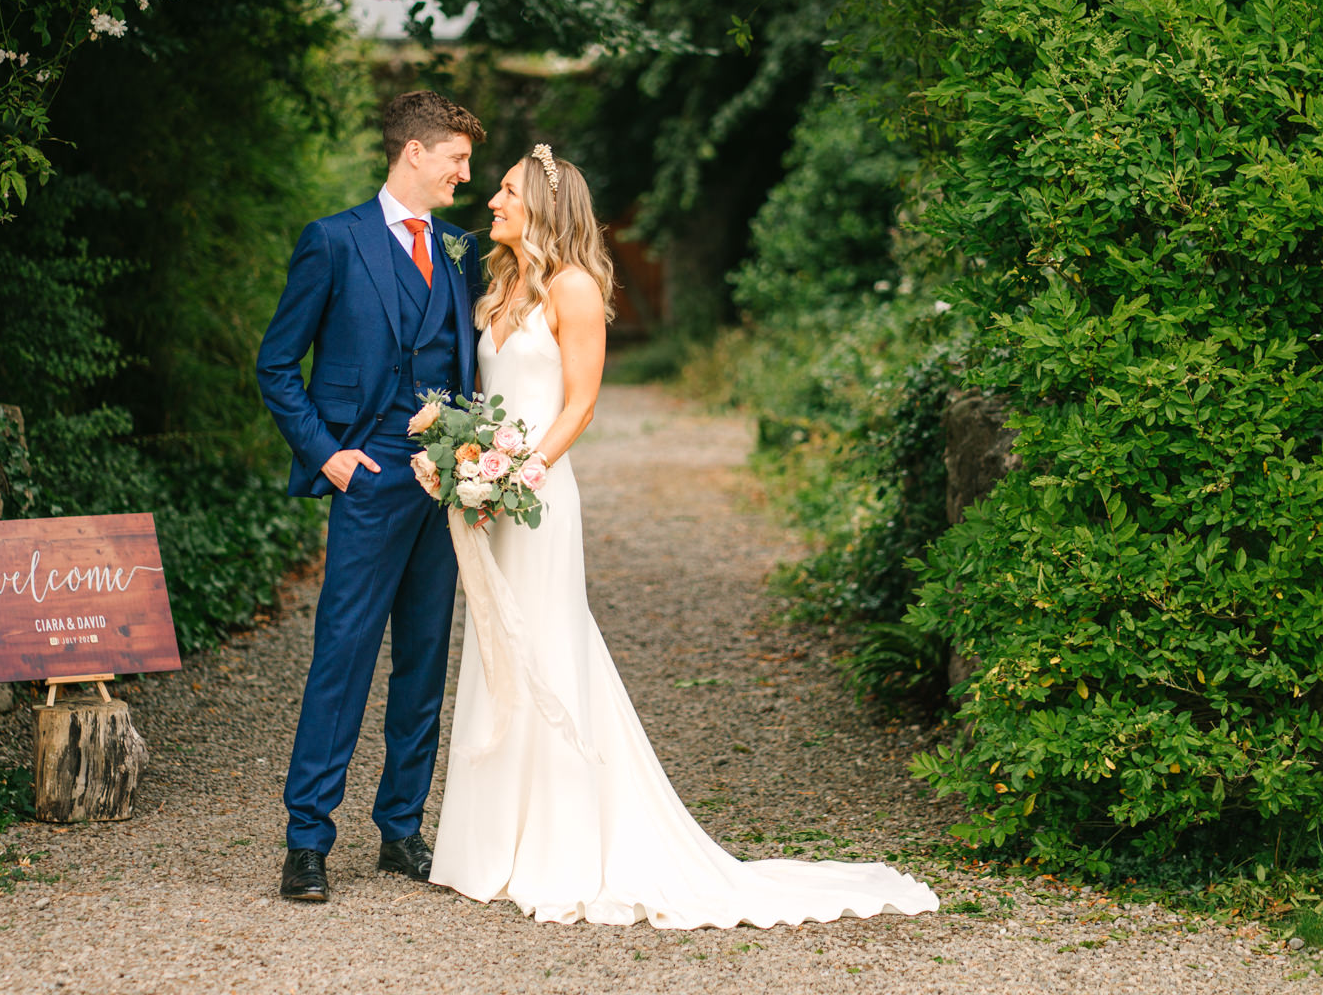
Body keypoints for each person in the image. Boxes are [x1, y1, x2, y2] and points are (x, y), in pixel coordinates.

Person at [428, 145, 939, 928]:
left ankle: (562, 846)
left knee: (551, 645)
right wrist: (468, 463)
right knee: (498, 644)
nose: (491, 200)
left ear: (542, 206)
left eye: (504, 191)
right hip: (488, 497)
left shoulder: (572, 286)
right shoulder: (498, 286)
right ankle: (491, 845)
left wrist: (514, 475)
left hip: (534, 496)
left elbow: (580, 407)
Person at [256, 92, 485, 902]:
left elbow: (469, 363)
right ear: (415, 154)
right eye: (456, 158)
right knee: (344, 654)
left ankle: (401, 830)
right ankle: (307, 840)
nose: (466, 173)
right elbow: (277, 367)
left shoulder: (459, 248)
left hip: (447, 480)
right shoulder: (333, 241)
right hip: (372, 472)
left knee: (424, 659)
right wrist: (331, 456)